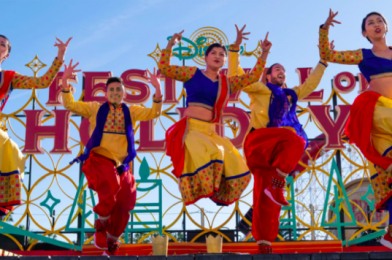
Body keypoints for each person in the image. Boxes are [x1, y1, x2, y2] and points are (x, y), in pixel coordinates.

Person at [229, 26, 330, 253]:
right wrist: (238, 50)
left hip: (276, 155)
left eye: (284, 70)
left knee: (267, 199)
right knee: (296, 138)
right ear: (267, 76)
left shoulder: (291, 95)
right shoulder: (260, 89)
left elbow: (310, 85)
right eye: (277, 70)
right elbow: (235, 78)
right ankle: (279, 180)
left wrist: (323, 62)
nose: (282, 72)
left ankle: (264, 243)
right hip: (259, 143)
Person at [159, 26, 269, 206]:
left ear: (224, 60)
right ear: (206, 57)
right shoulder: (192, 74)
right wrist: (171, 44)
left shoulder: (227, 83)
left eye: (221, 54)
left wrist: (264, 53)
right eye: (214, 53)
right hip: (192, 131)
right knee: (210, 157)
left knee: (237, 164)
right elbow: (164, 67)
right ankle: (204, 190)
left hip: (211, 133)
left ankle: (218, 196)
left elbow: (254, 76)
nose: (218, 56)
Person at [62, 60, 162, 255]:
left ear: (124, 93)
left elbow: (154, 112)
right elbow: (70, 104)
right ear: (106, 93)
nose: (115, 93)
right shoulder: (94, 108)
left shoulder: (131, 111)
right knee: (111, 185)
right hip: (100, 159)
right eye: (112, 90)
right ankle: (101, 224)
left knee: (126, 200)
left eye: (119, 90)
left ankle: (113, 240)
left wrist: (157, 88)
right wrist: (65, 83)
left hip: (122, 165)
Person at [318, 9, 392, 249]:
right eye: (371, 23)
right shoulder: (364, 55)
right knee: (386, 166)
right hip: (379, 117)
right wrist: (324, 30)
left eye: (380, 20)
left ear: (386, 27)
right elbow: (327, 54)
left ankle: (389, 233)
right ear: (365, 33)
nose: (376, 24)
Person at [0, 35, 69, 216]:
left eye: (2, 45)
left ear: (6, 55)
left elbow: (42, 82)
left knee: (12, 150)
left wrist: (60, 57)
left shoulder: (8, 78)